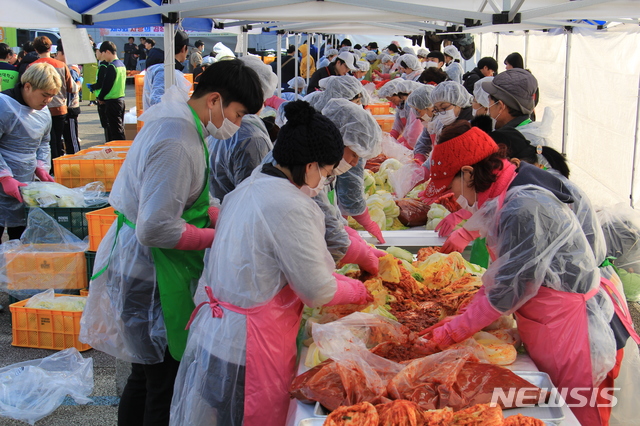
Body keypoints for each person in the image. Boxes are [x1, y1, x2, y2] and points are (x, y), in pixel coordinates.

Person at [79, 59, 263, 426]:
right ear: (214, 100)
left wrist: (219, 214)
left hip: (146, 265)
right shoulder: (177, 140)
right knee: (160, 381)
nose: (238, 125)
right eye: (239, 114)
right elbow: (156, 227)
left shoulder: (185, 125)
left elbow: (186, 198)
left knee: (146, 375)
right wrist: (217, 237)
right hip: (151, 272)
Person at [169, 100, 370, 426]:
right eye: (328, 173)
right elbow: (316, 288)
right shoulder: (291, 205)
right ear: (310, 167)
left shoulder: (250, 187)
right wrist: (358, 292)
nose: (325, 182)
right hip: (249, 346)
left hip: (217, 334)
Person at [420, 122, 628, 426]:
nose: (453, 198)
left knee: (578, 417)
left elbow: (506, 289)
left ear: (467, 173)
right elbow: (507, 272)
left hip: (576, 330)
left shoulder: (523, 205)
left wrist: (451, 332)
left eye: (451, 188)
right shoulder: (509, 183)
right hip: (550, 322)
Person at [0, 63, 58, 240]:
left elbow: (44, 142)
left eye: (52, 96)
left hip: (25, 184)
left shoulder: (43, 111)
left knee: (20, 236)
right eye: (45, 95)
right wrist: (4, 176)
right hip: (4, 181)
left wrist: (41, 166)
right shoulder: (4, 106)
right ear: (27, 86)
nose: (48, 100)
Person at [208, 55, 277, 202]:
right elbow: (254, 199)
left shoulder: (219, 123)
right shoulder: (252, 138)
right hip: (237, 220)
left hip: (221, 214)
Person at [322, 98, 387, 246]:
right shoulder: (305, 175)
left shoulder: (324, 173)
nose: (354, 163)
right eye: (354, 154)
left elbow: (327, 210)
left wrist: (342, 228)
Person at [31, 36, 76, 159]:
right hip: (60, 108)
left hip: (39, 109)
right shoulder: (61, 65)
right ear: (51, 48)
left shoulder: (31, 66)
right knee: (58, 138)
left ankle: (49, 167)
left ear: (35, 49)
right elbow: (72, 88)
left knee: (46, 142)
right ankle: (58, 164)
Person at [482, 68, 547, 144]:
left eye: (489, 102)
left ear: (500, 106)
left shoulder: (507, 145)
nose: (488, 108)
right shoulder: (534, 135)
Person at [143, 30, 192, 110]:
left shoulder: (162, 67)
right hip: (163, 121)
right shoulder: (164, 70)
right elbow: (156, 100)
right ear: (184, 48)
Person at [96, 41, 126, 142]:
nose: (102, 56)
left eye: (103, 53)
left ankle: (119, 151)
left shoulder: (112, 66)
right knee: (119, 128)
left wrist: (100, 97)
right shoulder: (121, 64)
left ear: (108, 51)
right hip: (120, 100)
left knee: (115, 131)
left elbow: (107, 85)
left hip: (112, 101)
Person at [55, 40, 81, 154]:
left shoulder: (71, 68)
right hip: (65, 107)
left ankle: (76, 161)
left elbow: (73, 88)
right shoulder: (66, 67)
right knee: (66, 138)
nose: (56, 56)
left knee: (71, 139)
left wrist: (79, 83)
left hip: (70, 108)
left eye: (57, 53)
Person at [406, 84, 435, 163]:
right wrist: (419, 158)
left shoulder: (444, 124)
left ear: (430, 106)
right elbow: (422, 144)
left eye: (418, 111)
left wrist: (426, 168)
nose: (418, 117)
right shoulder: (430, 124)